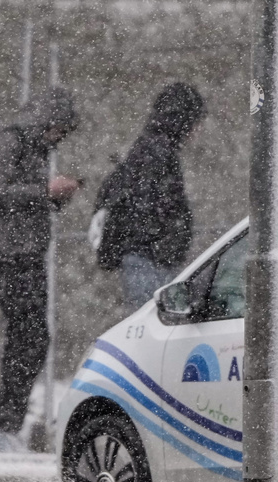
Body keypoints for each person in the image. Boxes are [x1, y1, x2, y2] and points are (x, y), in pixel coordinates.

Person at [0, 86, 81, 452]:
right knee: (29, 337)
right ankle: (2, 424)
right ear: (46, 122)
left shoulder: (35, 149)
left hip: (27, 253)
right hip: (11, 255)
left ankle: (6, 422)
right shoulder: (12, 141)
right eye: (57, 130)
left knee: (30, 338)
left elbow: (19, 197)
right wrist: (44, 191)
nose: (58, 138)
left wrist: (54, 196)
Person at [94, 82, 206, 312]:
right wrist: (168, 241)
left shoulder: (151, 148)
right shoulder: (157, 153)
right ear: (184, 121)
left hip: (148, 257)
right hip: (151, 260)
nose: (199, 130)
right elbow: (148, 209)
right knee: (156, 319)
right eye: (196, 122)